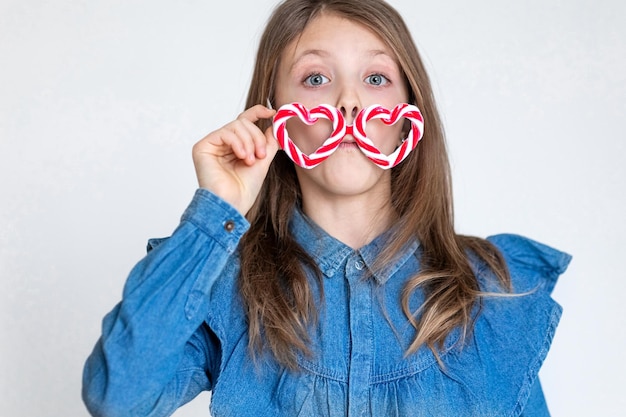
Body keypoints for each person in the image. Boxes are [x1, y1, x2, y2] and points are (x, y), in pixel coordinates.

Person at [82, 0, 571, 416]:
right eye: (316, 78)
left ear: (409, 118)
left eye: (376, 77)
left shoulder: (488, 291)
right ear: (275, 118)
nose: (349, 103)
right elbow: (118, 395)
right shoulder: (230, 289)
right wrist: (219, 208)